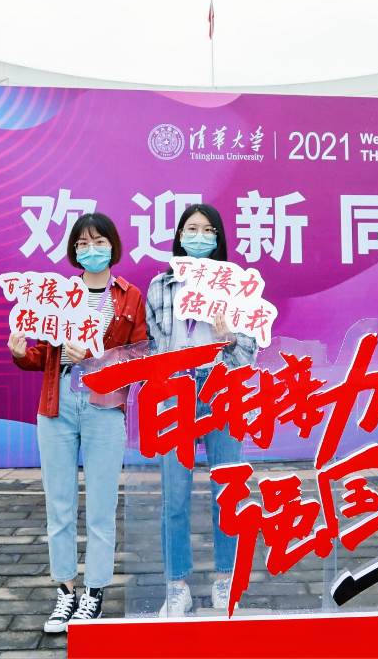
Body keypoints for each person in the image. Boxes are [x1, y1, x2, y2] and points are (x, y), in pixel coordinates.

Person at [8, 212, 148, 632]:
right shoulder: (59, 294)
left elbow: (140, 355)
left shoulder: (129, 296)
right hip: (58, 404)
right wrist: (20, 352)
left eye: (99, 242)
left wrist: (95, 358)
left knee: (102, 506)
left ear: (113, 246)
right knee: (60, 503)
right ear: (73, 250)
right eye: (83, 243)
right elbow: (43, 356)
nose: (91, 250)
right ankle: (65, 591)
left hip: (104, 405)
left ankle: (94, 593)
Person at [146, 203, 257, 616]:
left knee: (226, 491)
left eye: (208, 230)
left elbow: (249, 354)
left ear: (218, 239)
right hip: (176, 389)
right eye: (191, 229)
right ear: (179, 236)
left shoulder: (237, 284)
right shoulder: (160, 285)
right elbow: (153, 346)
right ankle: (176, 585)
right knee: (174, 494)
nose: (199, 237)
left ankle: (226, 579)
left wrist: (230, 339)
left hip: (221, 384)